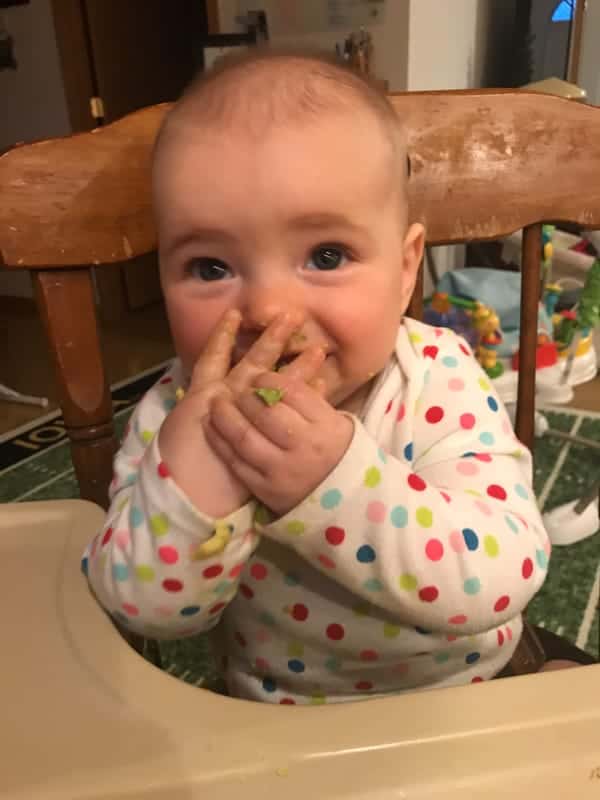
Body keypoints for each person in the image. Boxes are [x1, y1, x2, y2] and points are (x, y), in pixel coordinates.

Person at [83, 49, 581, 705]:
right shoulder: (177, 414)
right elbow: (143, 610)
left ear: (405, 272)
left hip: (471, 685)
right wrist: (191, 490)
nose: (266, 311)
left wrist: (337, 487)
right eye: (209, 267)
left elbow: (501, 574)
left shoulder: (434, 377)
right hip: (281, 717)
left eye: (325, 255)